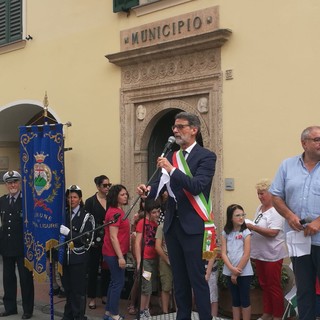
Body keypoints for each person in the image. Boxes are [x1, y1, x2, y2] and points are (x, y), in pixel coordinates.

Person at [137, 111, 216, 320]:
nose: (175, 131)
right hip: (173, 226)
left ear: (194, 130)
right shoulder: (171, 156)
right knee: (179, 280)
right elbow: (157, 186)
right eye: (174, 127)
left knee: (197, 279)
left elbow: (197, 186)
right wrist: (147, 190)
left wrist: (171, 169)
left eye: (180, 127)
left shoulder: (206, 156)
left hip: (194, 227)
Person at [270, 125, 320, 320]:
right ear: (304, 143)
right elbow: (275, 196)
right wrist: (290, 216)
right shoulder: (287, 166)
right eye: (316, 139)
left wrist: (318, 222)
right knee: (304, 290)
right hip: (299, 241)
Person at [246, 179, 287, 320]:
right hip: (260, 254)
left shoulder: (276, 211)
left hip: (272, 255)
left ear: (270, 194)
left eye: (262, 193)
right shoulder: (260, 208)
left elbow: (273, 233)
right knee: (264, 285)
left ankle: (277, 315)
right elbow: (257, 225)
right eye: (258, 194)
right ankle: (267, 313)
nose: (259, 196)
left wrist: (253, 227)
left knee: (273, 286)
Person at [0, 171, 34, 319]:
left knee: (25, 279)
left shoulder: (27, 201)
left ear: (19, 183)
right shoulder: (2, 200)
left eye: (15, 182)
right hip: (6, 246)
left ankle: (27, 310)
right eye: (9, 183)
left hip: (23, 247)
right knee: (7, 279)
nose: (12, 185)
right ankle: (10, 307)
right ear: (6, 185)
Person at [60, 185, 93, 320]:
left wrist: (69, 234)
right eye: (69, 197)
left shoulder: (87, 216)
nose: (71, 200)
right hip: (65, 259)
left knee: (78, 292)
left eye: (74, 197)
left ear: (80, 199)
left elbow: (87, 239)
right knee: (67, 290)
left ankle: (79, 316)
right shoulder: (63, 214)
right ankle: (68, 316)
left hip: (78, 260)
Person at [102, 184, 130, 320]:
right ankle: (114, 313)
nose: (125, 196)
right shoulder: (114, 213)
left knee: (114, 282)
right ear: (115, 197)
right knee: (118, 282)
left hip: (114, 252)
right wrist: (120, 257)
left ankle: (108, 312)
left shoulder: (117, 210)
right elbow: (113, 237)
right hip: (113, 253)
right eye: (122, 194)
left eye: (126, 194)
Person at [221, 204, 253, 320]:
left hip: (244, 272)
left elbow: (246, 254)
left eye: (242, 215)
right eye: (237, 215)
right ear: (230, 218)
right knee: (235, 299)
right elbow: (223, 253)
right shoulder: (225, 233)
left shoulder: (246, 232)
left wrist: (236, 272)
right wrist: (231, 269)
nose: (241, 218)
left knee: (245, 299)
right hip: (229, 270)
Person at [84, 175, 112, 309]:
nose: (107, 188)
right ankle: (92, 297)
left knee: (107, 268)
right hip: (94, 240)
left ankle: (105, 294)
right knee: (93, 269)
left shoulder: (111, 200)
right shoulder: (90, 202)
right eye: (104, 185)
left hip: (108, 239)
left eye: (109, 185)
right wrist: (90, 240)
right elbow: (86, 222)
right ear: (98, 186)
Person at [135, 199, 160, 320]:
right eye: (154, 212)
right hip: (145, 259)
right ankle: (141, 311)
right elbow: (137, 242)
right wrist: (139, 261)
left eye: (158, 212)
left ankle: (146, 310)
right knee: (146, 286)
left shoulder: (156, 225)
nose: (157, 214)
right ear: (149, 212)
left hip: (153, 259)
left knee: (150, 287)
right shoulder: (142, 222)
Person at [155, 221, 174, 314]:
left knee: (179, 287)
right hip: (165, 259)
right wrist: (166, 259)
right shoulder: (161, 227)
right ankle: (165, 312)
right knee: (166, 287)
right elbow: (157, 246)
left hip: (178, 261)